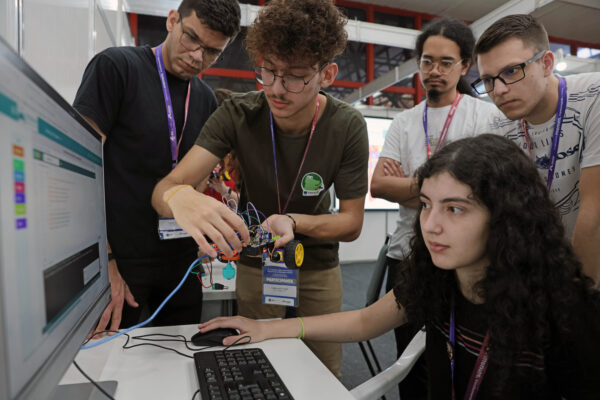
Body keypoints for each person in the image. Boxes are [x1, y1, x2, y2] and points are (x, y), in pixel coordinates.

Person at [199, 134, 600, 399]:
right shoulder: (438, 277)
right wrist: (266, 329)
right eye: (425, 205)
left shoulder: (565, 309)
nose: (431, 225)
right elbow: (363, 323)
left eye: (455, 209)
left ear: (505, 217)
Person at [152, 0, 368, 377]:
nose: (277, 89)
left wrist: (293, 222)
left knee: (323, 371)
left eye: (295, 77)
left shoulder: (346, 125)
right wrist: (181, 197)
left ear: (327, 74)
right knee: (254, 364)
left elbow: (351, 224)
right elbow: (166, 188)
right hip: (256, 263)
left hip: (316, 264)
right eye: (267, 72)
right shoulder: (238, 112)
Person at [73, 0, 242, 335]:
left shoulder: (207, 100)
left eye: (212, 52)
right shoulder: (116, 68)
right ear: (172, 20)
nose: (197, 56)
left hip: (180, 264)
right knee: (112, 364)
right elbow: (79, 169)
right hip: (121, 260)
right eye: (191, 38)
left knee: (181, 360)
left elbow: (191, 181)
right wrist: (104, 263)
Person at [370, 17, 498, 399]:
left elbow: (483, 191)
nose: (434, 71)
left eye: (445, 62)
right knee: (408, 366)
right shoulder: (404, 122)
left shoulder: (484, 116)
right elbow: (378, 185)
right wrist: (447, 191)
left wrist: (409, 186)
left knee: (457, 362)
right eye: (427, 61)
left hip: (464, 260)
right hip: (407, 255)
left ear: (464, 65)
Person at [473, 14, 600, 284]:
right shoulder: (495, 125)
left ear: (546, 63)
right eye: (488, 80)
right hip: (542, 275)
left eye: (510, 72)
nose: (499, 90)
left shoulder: (594, 97)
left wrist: (577, 299)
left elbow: (595, 214)